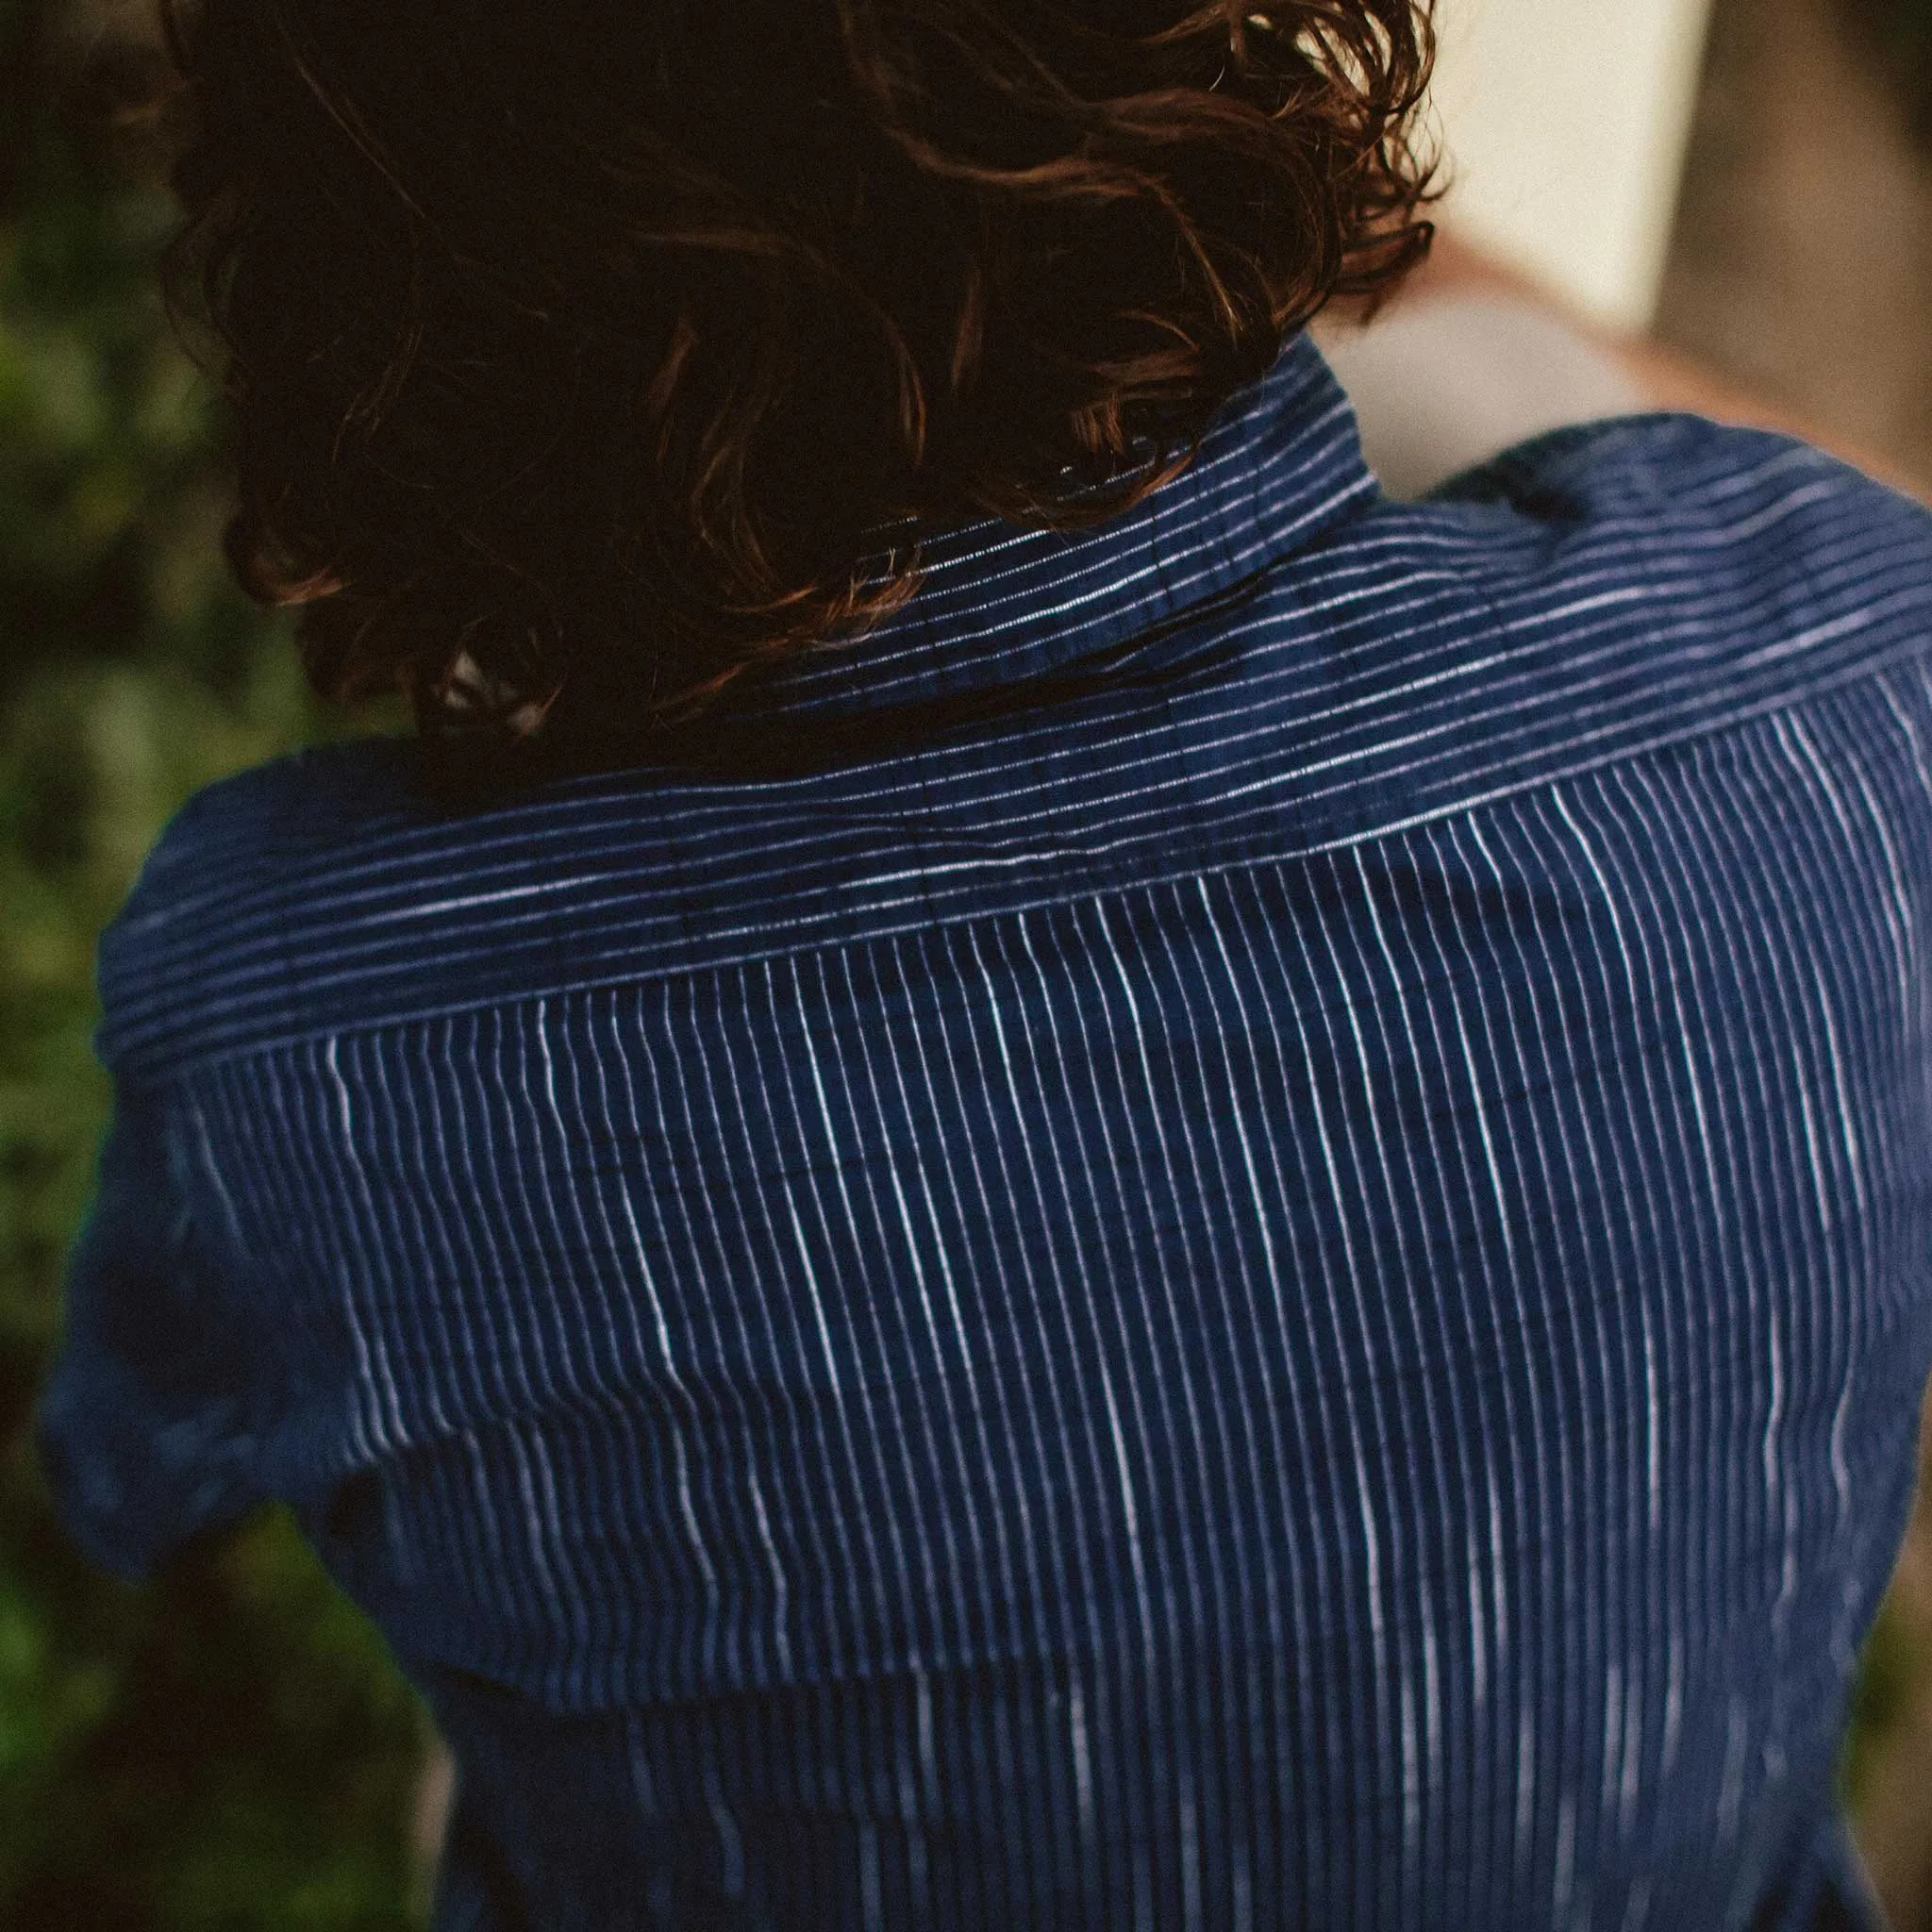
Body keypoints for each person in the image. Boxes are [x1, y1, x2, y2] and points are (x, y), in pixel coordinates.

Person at [36, 0, 1932, 1924]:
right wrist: (1306, 237)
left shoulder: (304, 1022)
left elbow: (139, 1462)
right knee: (1490, 365)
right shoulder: (1847, 679)